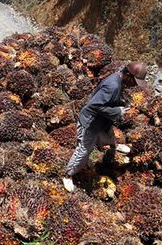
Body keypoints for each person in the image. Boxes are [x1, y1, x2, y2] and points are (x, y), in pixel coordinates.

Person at [62, 61, 147, 192]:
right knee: (84, 150)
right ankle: (68, 175)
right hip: (90, 122)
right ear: (128, 75)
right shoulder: (112, 85)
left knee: (109, 135)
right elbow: (94, 106)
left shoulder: (119, 79)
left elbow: (111, 98)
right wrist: (118, 111)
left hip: (102, 121)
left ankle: (115, 146)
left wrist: (123, 101)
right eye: (134, 82)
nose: (135, 85)